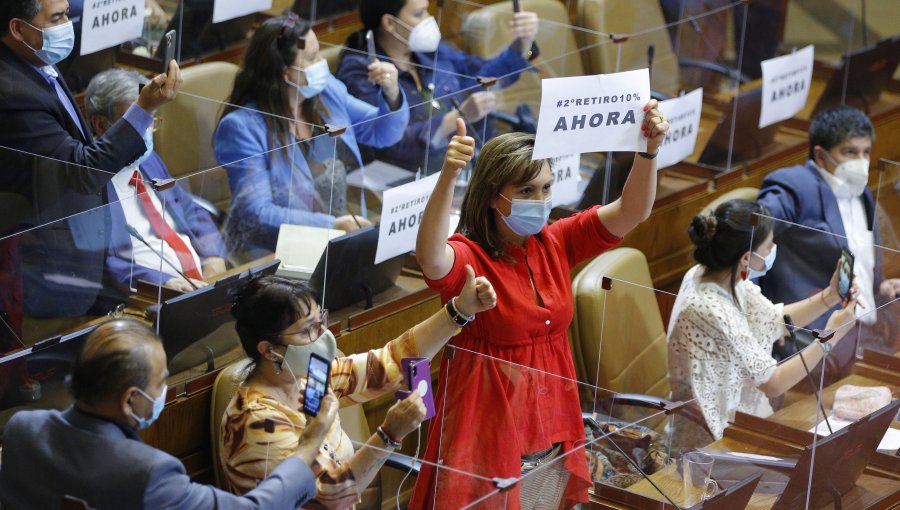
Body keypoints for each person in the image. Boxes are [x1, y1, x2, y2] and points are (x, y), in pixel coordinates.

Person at [410, 102, 669, 509]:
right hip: (487, 430)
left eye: (547, 188)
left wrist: (648, 151)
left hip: (552, 422)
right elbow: (430, 257)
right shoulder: (470, 256)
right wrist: (448, 175)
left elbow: (632, 211)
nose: (541, 199)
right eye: (526, 191)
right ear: (493, 197)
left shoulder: (556, 240)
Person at [222, 271, 497, 508]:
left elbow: (390, 364)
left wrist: (459, 311)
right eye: (308, 329)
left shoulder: (312, 375)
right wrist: (389, 435)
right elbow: (327, 499)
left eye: (322, 321)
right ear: (269, 350)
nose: (323, 336)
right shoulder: (256, 423)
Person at [0, 318, 336, 509]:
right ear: (131, 400)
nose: (164, 392)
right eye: (161, 382)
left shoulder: (21, 430)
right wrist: (308, 445)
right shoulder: (148, 475)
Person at [0, 0, 181, 324]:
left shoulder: (36, 63)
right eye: (57, 17)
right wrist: (143, 109)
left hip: (84, 247)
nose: (68, 23)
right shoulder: (12, 92)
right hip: (45, 264)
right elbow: (82, 172)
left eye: (68, 12)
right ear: (18, 28)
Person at [214, 15, 408, 263]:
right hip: (280, 253)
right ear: (285, 72)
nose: (321, 63)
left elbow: (382, 132)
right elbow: (255, 212)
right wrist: (332, 224)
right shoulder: (242, 127)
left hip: (346, 239)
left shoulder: (327, 92)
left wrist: (391, 93)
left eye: (319, 53)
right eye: (312, 58)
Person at [667, 199, 859, 443]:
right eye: (769, 247)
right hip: (713, 442)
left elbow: (773, 320)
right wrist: (830, 336)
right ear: (746, 257)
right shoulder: (713, 310)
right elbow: (774, 383)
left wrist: (830, 297)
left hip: (743, 421)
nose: (773, 251)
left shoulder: (720, 276)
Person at [757, 106, 900, 354]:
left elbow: (860, 260)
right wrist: (760, 316)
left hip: (866, 333)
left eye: (866, 153)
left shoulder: (862, 193)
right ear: (821, 156)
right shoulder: (795, 187)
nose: (861, 162)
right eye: (849, 152)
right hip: (814, 340)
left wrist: (881, 285)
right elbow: (750, 236)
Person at [337, 0, 539, 173]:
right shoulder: (363, 70)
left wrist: (522, 43)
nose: (428, 19)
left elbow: (480, 76)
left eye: (427, 8)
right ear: (389, 22)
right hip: (409, 181)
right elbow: (389, 145)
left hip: (471, 164)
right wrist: (455, 119)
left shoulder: (429, 51)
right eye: (419, 13)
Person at [84, 68, 228, 293]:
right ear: (101, 126)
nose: (147, 130)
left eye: (150, 119)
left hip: (201, 286)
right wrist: (163, 283)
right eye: (135, 121)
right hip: (143, 298)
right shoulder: (90, 182)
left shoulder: (149, 161)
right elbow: (102, 262)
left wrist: (213, 256)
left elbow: (189, 210)